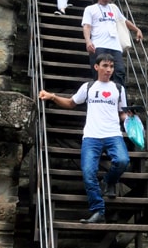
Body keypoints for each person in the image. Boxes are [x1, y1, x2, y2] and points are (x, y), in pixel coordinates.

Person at [39, 53, 132, 223]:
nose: (109, 69)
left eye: (111, 66)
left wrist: (131, 121)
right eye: (105, 66)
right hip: (91, 136)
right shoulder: (88, 87)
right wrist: (52, 96)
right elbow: (71, 103)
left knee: (123, 160)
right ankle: (98, 211)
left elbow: (122, 113)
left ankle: (107, 181)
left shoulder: (119, 89)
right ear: (96, 67)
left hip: (113, 134)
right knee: (88, 172)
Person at [82, 0, 143, 86]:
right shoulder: (90, 9)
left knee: (119, 72)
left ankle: (118, 98)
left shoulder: (113, 8)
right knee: (100, 74)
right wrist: (88, 41)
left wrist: (137, 29)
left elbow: (123, 21)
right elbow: (86, 26)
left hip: (115, 46)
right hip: (98, 45)